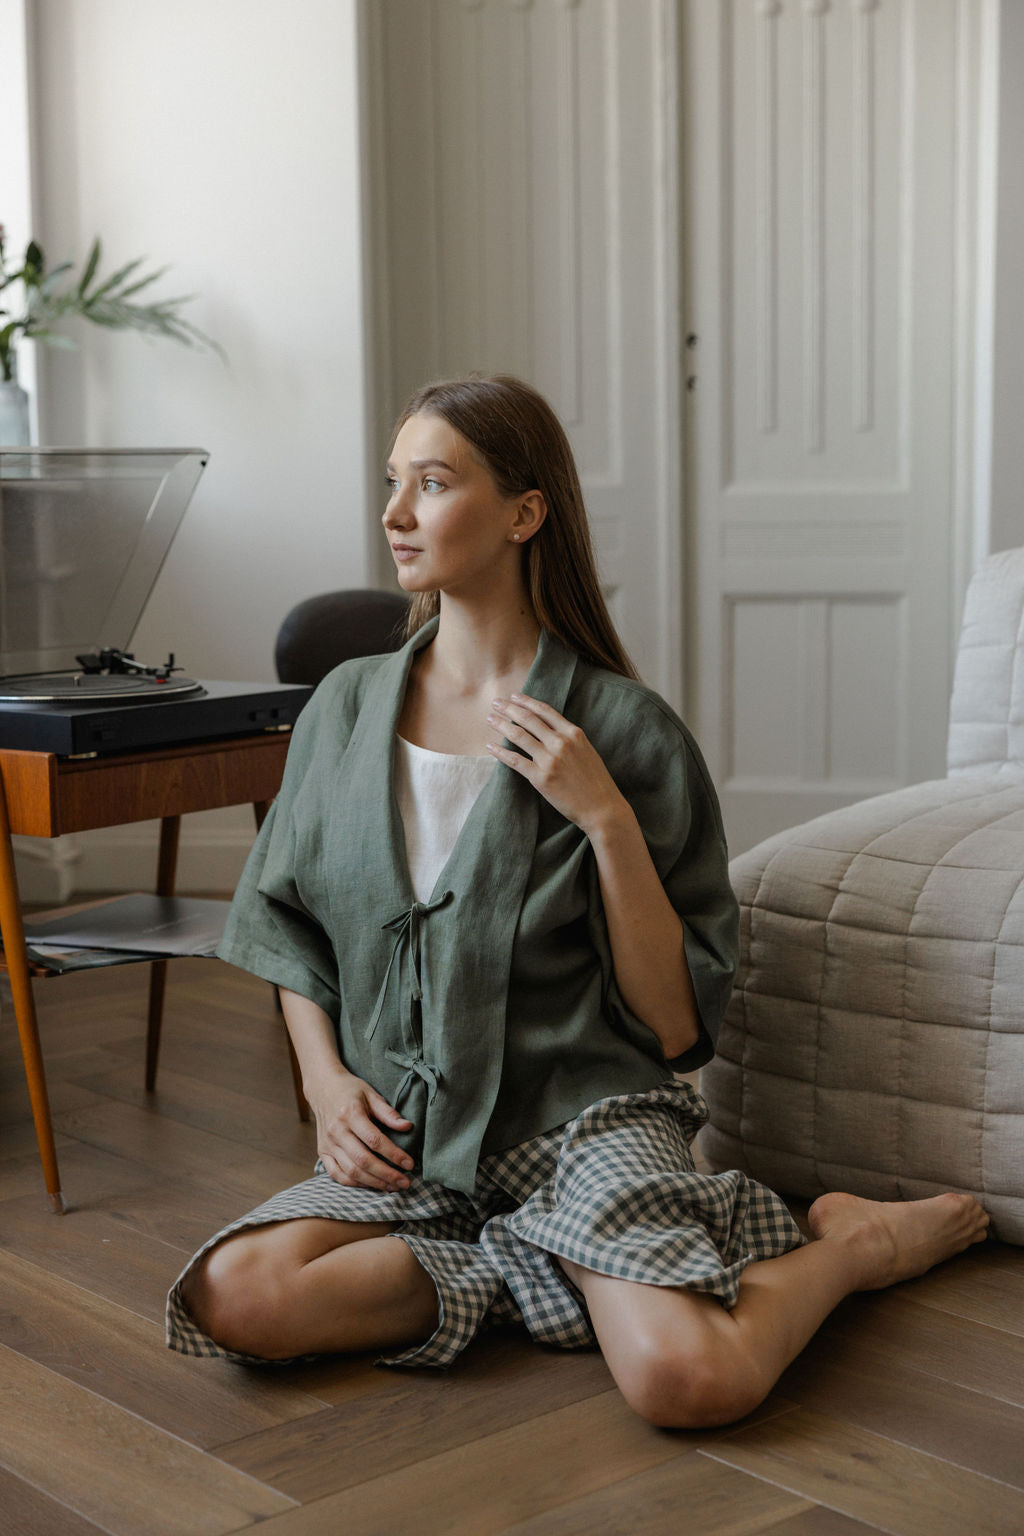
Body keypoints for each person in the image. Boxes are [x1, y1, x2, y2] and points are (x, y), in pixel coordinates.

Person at [167, 374, 989, 1427]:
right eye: (393, 483)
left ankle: (854, 1247)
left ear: (524, 513)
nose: (396, 514)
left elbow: (674, 1027)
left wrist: (604, 819)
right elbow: (288, 929)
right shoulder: (344, 708)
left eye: (432, 484)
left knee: (690, 1382)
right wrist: (327, 1088)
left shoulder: (629, 732)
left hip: (586, 1125)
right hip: (418, 1137)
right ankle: (560, 1268)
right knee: (237, 1295)